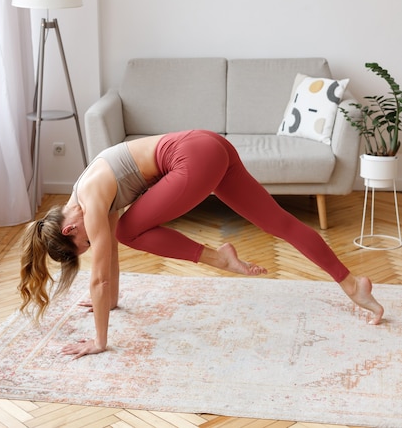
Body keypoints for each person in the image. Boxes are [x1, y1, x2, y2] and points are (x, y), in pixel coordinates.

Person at [19, 130, 384, 359]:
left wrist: (99, 341)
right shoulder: (87, 200)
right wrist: (111, 301)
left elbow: (99, 274)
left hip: (193, 156)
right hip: (209, 146)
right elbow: (107, 261)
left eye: (82, 244)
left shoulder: (90, 198)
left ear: (69, 229)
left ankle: (219, 257)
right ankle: (352, 283)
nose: (90, 244)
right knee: (281, 223)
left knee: (125, 231)